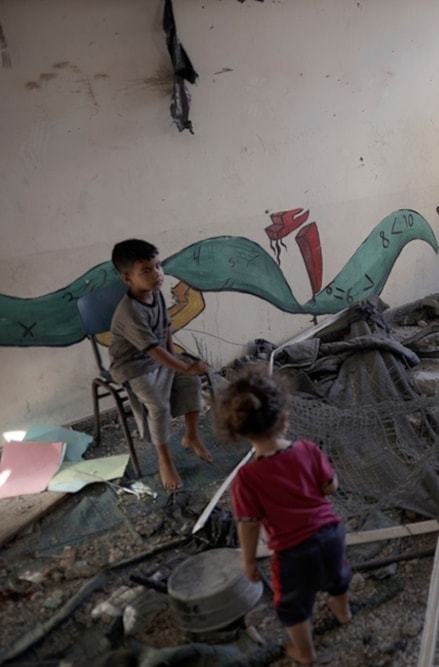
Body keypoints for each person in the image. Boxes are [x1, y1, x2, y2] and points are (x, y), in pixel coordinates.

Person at [217, 368, 352, 665]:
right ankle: (343, 613)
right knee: (338, 577)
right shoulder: (308, 449)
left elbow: (249, 526)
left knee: (292, 606)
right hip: (331, 534)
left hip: (293, 553)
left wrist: (249, 560)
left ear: (241, 433)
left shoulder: (247, 478)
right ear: (285, 419)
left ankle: (305, 652)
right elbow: (331, 487)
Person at [108, 239, 213, 491]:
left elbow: (166, 330)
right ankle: (164, 460)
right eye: (146, 270)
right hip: (133, 367)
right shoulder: (131, 312)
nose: (157, 274)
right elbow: (153, 351)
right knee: (158, 406)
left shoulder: (155, 294)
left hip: (156, 358)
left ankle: (191, 436)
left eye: (158, 266)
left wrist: (179, 361)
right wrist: (182, 365)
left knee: (191, 381)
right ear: (127, 279)